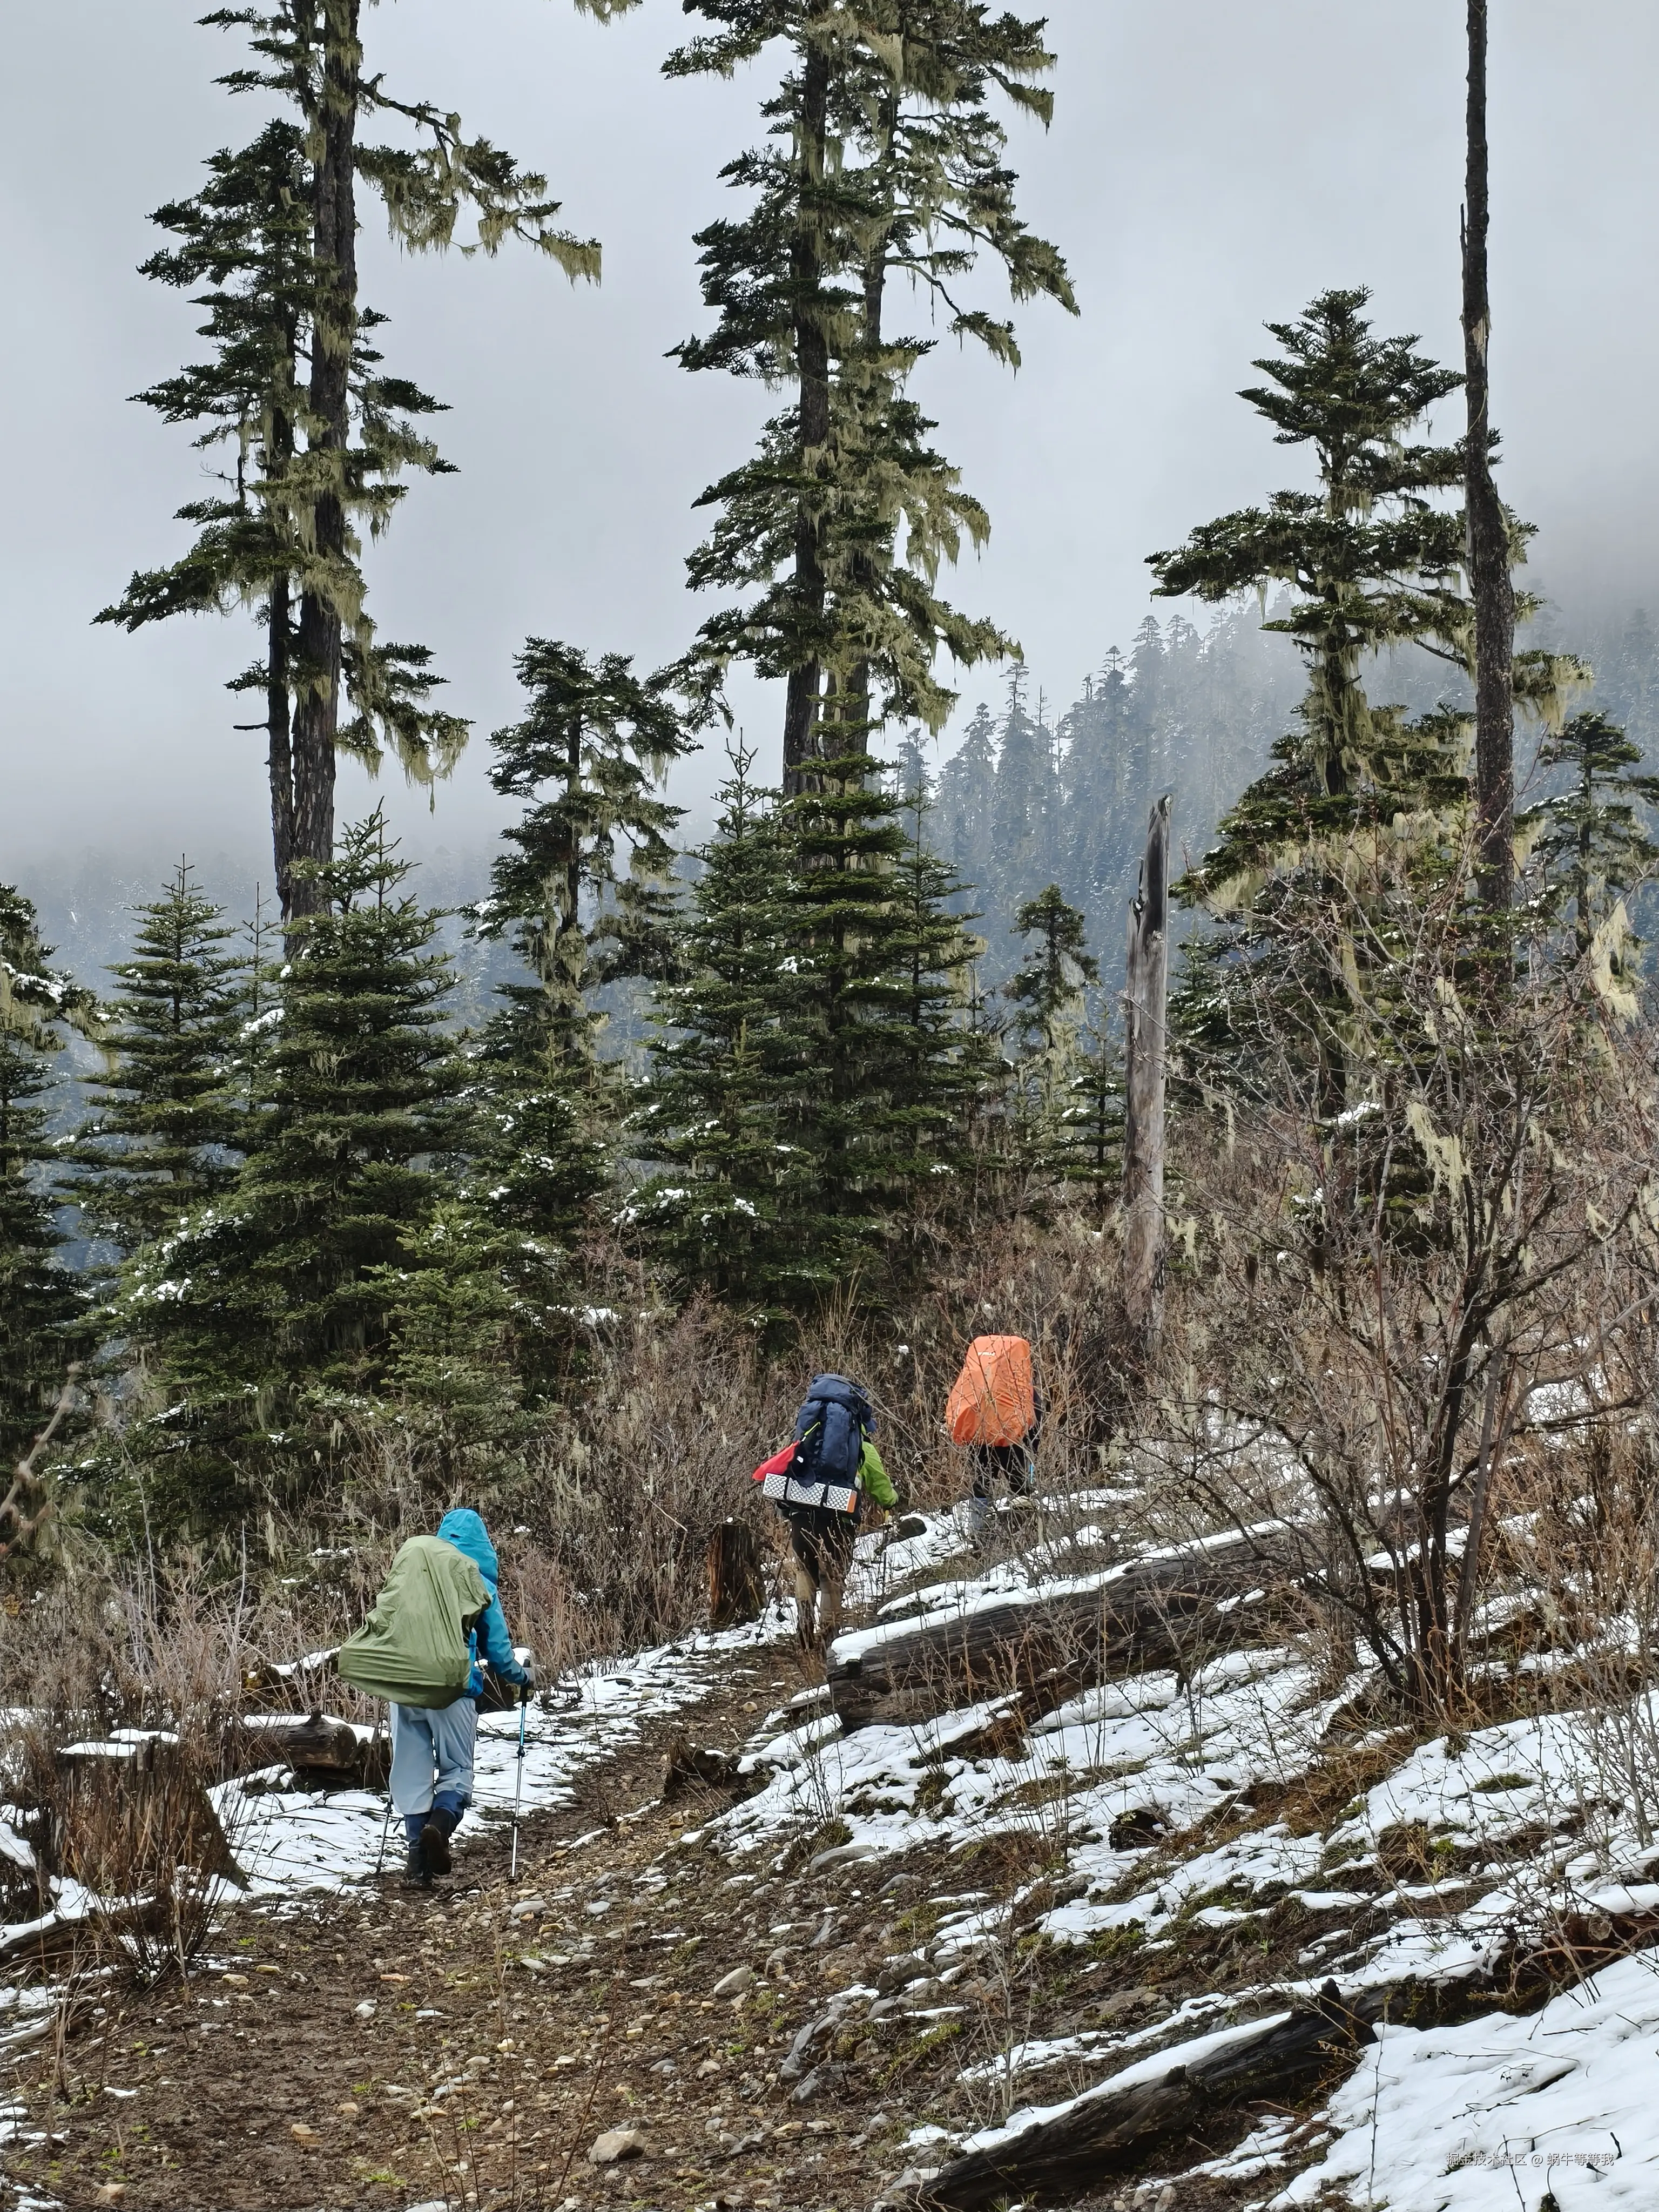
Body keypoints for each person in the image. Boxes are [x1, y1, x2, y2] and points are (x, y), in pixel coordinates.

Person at [338, 1507, 532, 1886]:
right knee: (457, 1769)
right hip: (452, 1690)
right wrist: (520, 1678)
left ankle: (417, 1868)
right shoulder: (476, 1578)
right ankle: (440, 1829)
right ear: (483, 1544)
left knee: (411, 1772)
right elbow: (497, 1649)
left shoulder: (413, 1575)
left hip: (403, 1686)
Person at [755, 1373, 896, 1653]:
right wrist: (891, 1502)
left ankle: (804, 1626)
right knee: (832, 1577)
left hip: (801, 1513)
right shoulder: (862, 1447)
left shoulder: (807, 1436)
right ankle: (829, 1636)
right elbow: (880, 1484)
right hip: (840, 1520)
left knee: (805, 1572)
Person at [945, 1333, 1039, 1538]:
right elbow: (1035, 1419)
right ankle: (1023, 1534)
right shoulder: (1021, 1386)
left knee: (981, 1484)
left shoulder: (977, 1381)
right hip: (1013, 1442)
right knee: (1019, 1484)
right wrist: (1033, 1449)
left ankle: (979, 1535)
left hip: (980, 1440)